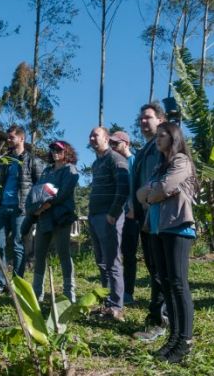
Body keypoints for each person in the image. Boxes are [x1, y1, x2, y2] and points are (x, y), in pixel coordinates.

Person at [136, 122, 197, 363]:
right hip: (158, 228)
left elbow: (166, 187)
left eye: (163, 135)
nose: (158, 138)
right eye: (158, 135)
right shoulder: (160, 167)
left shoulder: (181, 161)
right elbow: (142, 193)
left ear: (174, 138)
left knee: (179, 284)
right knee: (167, 284)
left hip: (178, 227)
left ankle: (185, 340)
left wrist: (153, 192)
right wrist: (154, 192)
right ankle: (173, 339)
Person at [132, 102, 168, 341]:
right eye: (141, 119)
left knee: (162, 270)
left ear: (161, 120)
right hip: (146, 217)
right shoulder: (146, 149)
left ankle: (161, 320)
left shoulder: (166, 146)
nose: (143, 122)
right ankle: (157, 316)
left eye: (148, 118)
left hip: (162, 216)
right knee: (154, 268)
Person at [0, 125, 43, 293]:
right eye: (8, 137)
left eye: (12, 137)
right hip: (3, 208)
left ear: (22, 139)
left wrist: (33, 208)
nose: (8, 140)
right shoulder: (5, 161)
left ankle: (17, 283)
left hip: (20, 210)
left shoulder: (32, 160)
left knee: (18, 246)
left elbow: (41, 186)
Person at [30, 140, 79, 303]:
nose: (54, 151)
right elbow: (37, 190)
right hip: (44, 217)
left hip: (61, 217)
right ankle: (37, 293)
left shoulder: (69, 169)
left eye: (58, 149)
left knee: (63, 253)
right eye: (52, 149)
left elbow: (64, 192)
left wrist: (46, 203)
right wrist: (37, 208)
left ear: (66, 151)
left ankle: (68, 294)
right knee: (39, 254)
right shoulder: (46, 171)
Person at [88, 127, 129, 321]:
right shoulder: (97, 163)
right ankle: (107, 302)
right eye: (91, 135)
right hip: (95, 216)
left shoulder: (115, 158)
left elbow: (123, 188)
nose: (92, 138)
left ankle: (116, 306)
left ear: (106, 138)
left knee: (112, 262)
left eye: (96, 135)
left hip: (108, 217)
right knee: (102, 262)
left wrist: (113, 213)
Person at [109, 131, 137, 305]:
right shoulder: (115, 163)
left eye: (116, 144)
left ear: (126, 144)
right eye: (111, 144)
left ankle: (128, 292)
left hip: (132, 214)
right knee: (116, 253)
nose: (113, 147)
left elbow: (135, 186)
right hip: (118, 214)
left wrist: (133, 208)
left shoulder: (133, 161)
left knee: (129, 254)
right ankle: (115, 290)